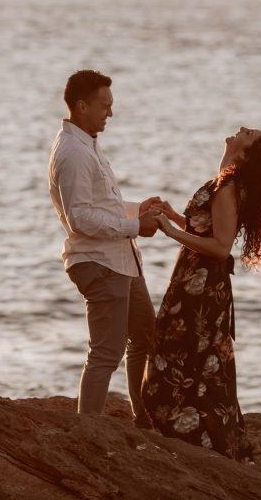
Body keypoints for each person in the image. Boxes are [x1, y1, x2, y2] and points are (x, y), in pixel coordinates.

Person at [141, 126, 261, 463]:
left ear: (247, 153)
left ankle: (199, 440)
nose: (241, 129)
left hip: (201, 287)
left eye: (248, 134)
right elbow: (206, 228)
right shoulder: (225, 180)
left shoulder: (227, 186)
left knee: (181, 359)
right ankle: (194, 435)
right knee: (189, 359)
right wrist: (174, 216)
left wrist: (169, 232)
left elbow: (221, 247)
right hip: (195, 281)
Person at [47, 69, 163, 426]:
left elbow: (100, 206)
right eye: (104, 106)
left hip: (121, 260)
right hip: (99, 263)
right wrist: (134, 226)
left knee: (145, 336)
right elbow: (80, 218)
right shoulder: (74, 153)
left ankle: (142, 416)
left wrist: (136, 211)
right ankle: (89, 431)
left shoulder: (87, 144)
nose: (109, 114)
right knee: (106, 352)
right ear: (82, 106)